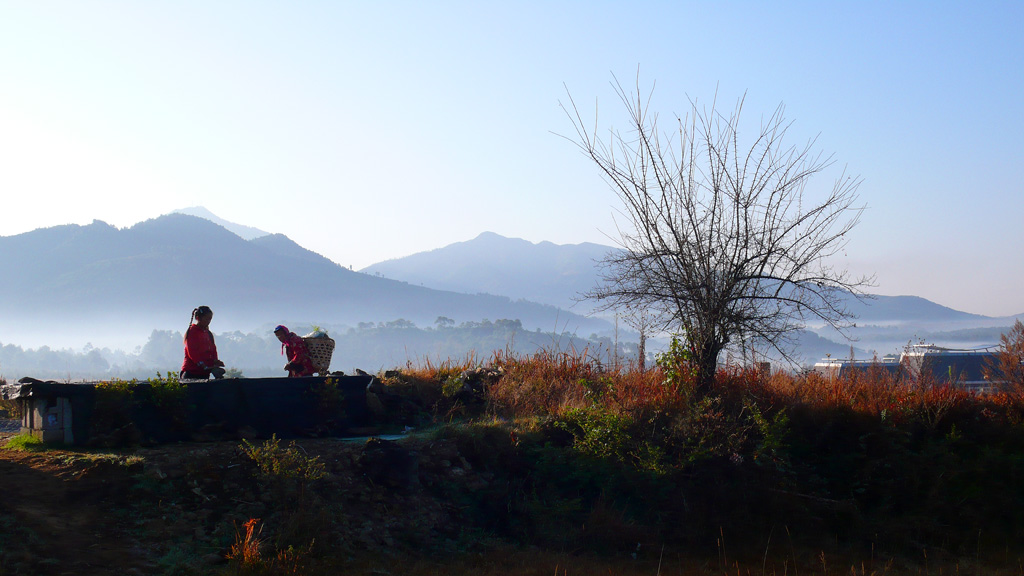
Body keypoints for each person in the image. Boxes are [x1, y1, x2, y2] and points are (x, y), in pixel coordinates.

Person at [181, 305, 226, 380]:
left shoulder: (208, 334)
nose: (208, 322)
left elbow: (213, 350)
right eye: (206, 319)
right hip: (192, 373)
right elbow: (192, 352)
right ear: (198, 318)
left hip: (204, 373)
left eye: (210, 319)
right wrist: (202, 364)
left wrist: (215, 361)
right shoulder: (192, 332)